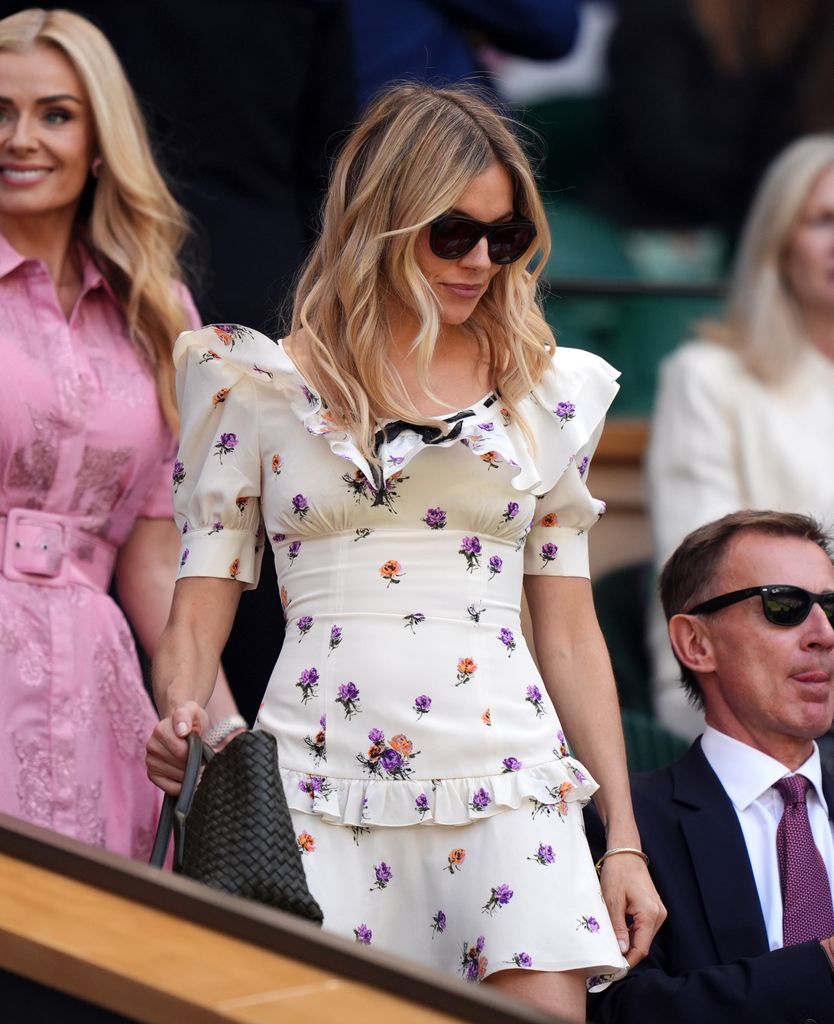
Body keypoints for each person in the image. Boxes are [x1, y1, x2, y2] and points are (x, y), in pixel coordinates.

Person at [145, 83, 664, 1019]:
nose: (480, 261)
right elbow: (196, 606)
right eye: (452, 234)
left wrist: (620, 837)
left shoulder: (549, 394)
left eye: (505, 238)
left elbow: (569, 633)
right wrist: (184, 715)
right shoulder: (255, 385)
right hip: (317, 783)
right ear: (382, 224)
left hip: (510, 782)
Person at [0, 8, 241, 859]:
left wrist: (218, 727)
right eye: (0, 112)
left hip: (97, 694)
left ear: (100, 140)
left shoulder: (158, 309)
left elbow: (154, 551)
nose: (21, 138)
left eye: (55, 114)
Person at [588, 509, 834, 1024]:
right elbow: (620, 1011)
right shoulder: (622, 826)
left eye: (832, 608)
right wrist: (822, 966)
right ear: (695, 643)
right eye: (784, 606)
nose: (824, 633)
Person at [647, 133, 834, 742]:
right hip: (748, 688)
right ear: (779, 244)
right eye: (824, 220)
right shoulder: (705, 378)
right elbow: (710, 582)